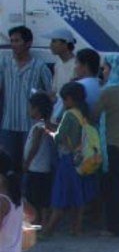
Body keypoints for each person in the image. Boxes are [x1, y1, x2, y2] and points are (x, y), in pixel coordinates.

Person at [41, 82, 96, 237]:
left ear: (70, 99)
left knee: (60, 196)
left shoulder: (69, 115)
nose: (63, 103)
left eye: (64, 100)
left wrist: (50, 132)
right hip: (82, 159)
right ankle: (76, 228)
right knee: (78, 196)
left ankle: (48, 230)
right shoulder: (83, 113)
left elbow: (59, 137)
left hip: (68, 159)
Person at [0, 26, 53, 172]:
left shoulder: (40, 67)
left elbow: (51, 95)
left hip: (30, 127)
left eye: (17, 41)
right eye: (12, 41)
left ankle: (25, 194)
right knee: (7, 166)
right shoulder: (4, 64)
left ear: (28, 43)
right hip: (8, 124)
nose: (14, 44)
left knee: (28, 166)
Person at [92, 54, 119, 236]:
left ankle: (113, 227)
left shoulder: (108, 92)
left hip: (110, 142)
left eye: (106, 68)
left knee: (111, 188)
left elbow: (94, 114)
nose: (103, 71)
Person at [23, 93, 54, 226]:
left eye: (31, 107)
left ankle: (37, 222)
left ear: (37, 109)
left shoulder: (40, 127)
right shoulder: (45, 125)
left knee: (35, 198)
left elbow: (35, 146)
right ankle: (42, 221)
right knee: (42, 198)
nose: (29, 110)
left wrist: (27, 162)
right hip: (43, 168)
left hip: (36, 168)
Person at [47, 28, 76, 120]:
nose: (50, 45)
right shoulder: (58, 63)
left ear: (65, 44)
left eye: (54, 41)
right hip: (58, 112)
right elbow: (54, 91)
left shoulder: (77, 65)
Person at [73, 48, 102, 113]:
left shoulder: (76, 87)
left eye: (76, 63)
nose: (75, 67)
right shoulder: (104, 86)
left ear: (85, 66)